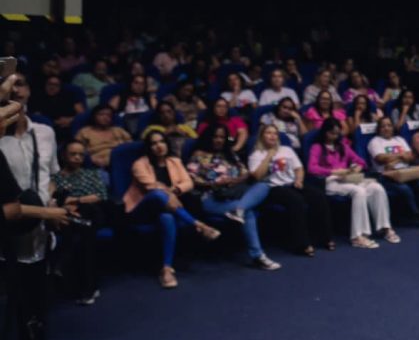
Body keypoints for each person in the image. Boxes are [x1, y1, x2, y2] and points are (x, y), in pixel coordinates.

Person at [0, 73, 71, 339]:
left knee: (38, 301)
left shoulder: (45, 132)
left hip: (40, 233)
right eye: (7, 85)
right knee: (14, 303)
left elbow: (50, 177)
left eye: (21, 83)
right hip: (7, 234)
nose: (15, 90)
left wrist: (51, 203)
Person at [125, 131, 221, 288]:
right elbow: (151, 186)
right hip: (143, 208)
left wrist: (174, 192)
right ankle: (198, 225)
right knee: (157, 194)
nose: (158, 146)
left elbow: (188, 183)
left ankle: (166, 269)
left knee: (166, 217)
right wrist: (169, 195)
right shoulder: (139, 164)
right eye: (154, 143)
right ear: (149, 147)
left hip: (168, 209)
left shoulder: (174, 161)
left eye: (161, 142)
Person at [186, 124, 280, 270]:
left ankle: (239, 209)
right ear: (209, 138)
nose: (219, 140)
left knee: (263, 185)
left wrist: (234, 181)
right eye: (215, 137)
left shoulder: (229, 153)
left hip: (234, 193)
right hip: (212, 197)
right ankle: (258, 256)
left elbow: (245, 172)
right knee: (247, 213)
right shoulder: (198, 155)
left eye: (222, 137)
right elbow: (191, 179)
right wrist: (214, 183)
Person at [307, 119, 399, 248]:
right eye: (332, 133)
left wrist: (357, 167)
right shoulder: (317, 148)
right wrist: (333, 171)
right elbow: (312, 168)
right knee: (359, 192)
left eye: (337, 133)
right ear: (325, 133)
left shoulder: (342, 146)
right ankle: (358, 236)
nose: (335, 136)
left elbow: (361, 162)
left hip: (349, 179)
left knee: (376, 187)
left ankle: (384, 227)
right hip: (330, 181)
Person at [249, 125, 335, 256]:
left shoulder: (286, 150)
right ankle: (302, 244)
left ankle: (325, 237)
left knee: (318, 196)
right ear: (262, 136)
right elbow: (257, 176)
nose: (272, 136)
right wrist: (269, 156)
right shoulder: (256, 154)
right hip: (272, 187)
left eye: (275, 134)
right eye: (268, 133)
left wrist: (299, 180)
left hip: (292, 183)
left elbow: (299, 168)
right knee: (297, 201)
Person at [50, 140, 108, 304]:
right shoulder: (55, 177)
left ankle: (63, 262)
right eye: (73, 154)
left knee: (87, 212)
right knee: (84, 239)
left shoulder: (92, 174)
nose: (77, 157)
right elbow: (52, 198)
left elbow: (100, 196)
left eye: (81, 154)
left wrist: (75, 200)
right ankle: (89, 287)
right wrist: (66, 206)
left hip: (91, 213)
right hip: (69, 217)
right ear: (63, 155)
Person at [368, 117, 419, 230]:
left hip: (406, 173)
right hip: (387, 175)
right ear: (379, 129)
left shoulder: (399, 139)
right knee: (404, 189)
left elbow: (411, 156)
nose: (386, 128)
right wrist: (401, 156)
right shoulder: (375, 141)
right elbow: (381, 158)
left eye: (389, 125)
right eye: (383, 126)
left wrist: (395, 160)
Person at [27, 74, 84, 141]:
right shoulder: (37, 98)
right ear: (45, 85)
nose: (52, 87)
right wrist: (55, 122)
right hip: (46, 129)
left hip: (69, 128)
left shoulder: (70, 96)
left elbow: (82, 114)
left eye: (56, 85)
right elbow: (37, 117)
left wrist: (71, 120)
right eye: (50, 84)